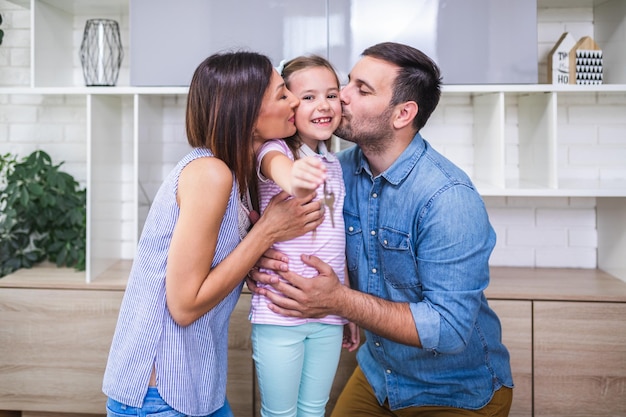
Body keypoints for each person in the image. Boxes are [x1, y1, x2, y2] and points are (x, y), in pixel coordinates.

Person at [249, 42, 514, 416]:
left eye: (362, 89)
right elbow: (281, 207)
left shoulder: (447, 199)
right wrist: (259, 257)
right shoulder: (336, 172)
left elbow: (449, 330)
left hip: (453, 392)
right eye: (348, 82)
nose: (340, 97)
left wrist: (340, 302)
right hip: (378, 376)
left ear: (403, 114)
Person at [102, 51, 325, 417]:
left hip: (195, 386)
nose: (295, 101)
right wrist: (266, 231)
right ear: (247, 112)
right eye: (282, 94)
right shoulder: (210, 173)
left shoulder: (237, 178)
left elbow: (215, 273)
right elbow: (185, 305)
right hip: (160, 395)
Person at [250, 55, 360, 417]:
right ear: (288, 106)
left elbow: (337, 240)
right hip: (280, 312)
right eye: (308, 97)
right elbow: (281, 171)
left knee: (314, 410)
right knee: (280, 413)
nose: (324, 105)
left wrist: (348, 308)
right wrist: (297, 179)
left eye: (331, 95)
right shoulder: (276, 151)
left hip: (328, 313)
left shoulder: (334, 164)